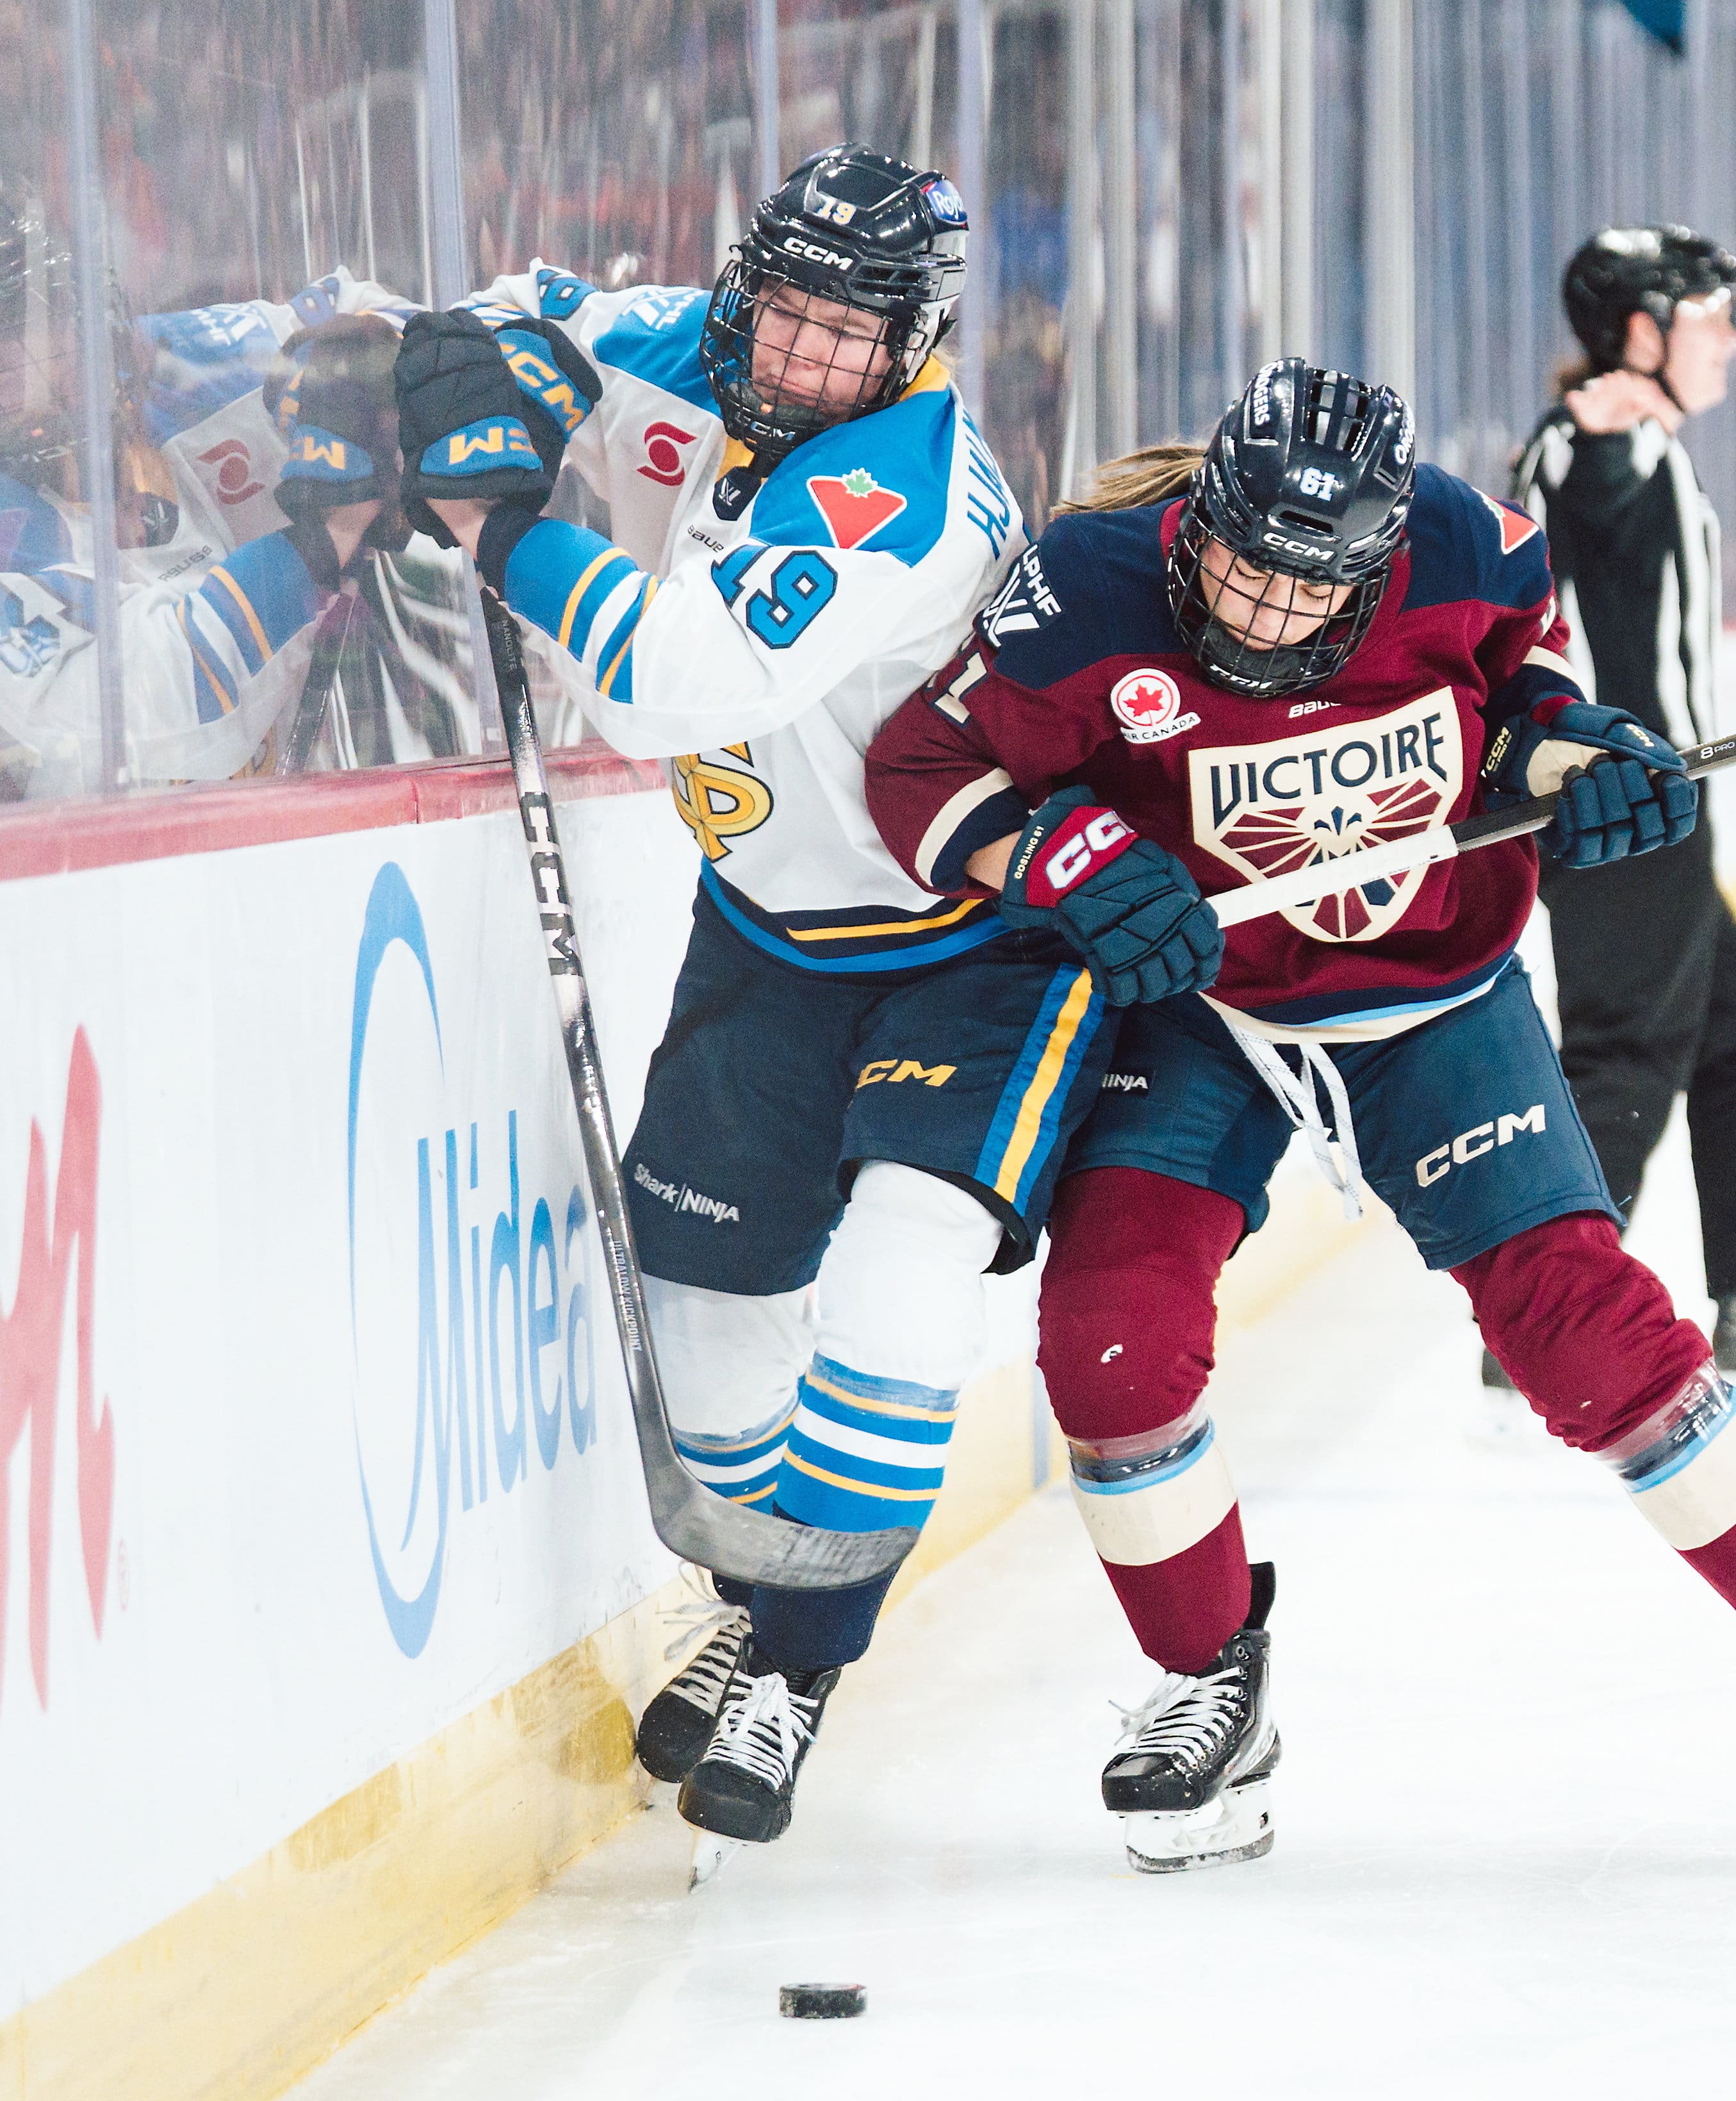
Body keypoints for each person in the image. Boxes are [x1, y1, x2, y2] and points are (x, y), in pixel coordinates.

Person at [865, 359, 1736, 1874]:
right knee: (1107, 1345)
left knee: (1583, 1333)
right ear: (1194, 524)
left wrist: (1583, 759)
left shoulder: (1467, 548)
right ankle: (1207, 1689)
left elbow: (1527, 705)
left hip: (1428, 996)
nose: (1254, 613)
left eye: (1300, 590)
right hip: (1203, 1009)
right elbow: (919, 766)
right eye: (1234, 565)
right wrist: (1053, 856)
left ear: (1375, 564)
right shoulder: (1085, 589)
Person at [397, 146, 1099, 1851]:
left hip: (978, 938)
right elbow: (521, 315)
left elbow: (669, 683)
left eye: (847, 334)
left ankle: (798, 1665)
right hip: (773, 935)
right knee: (708, 1317)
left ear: (913, 342)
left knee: (894, 1284)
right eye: (781, 310)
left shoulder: (906, 493)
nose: (798, 359)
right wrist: (433, 357)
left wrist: (497, 517)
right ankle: (752, 1601)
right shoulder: (696, 341)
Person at [1508, 227, 1736, 1400]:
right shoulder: (1600, 443)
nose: (1731, 344)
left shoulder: (1626, 435)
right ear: (1642, 333)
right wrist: (1607, 448)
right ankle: (1539, 1332)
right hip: (1619, 805)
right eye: (1711, 320)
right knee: (1624, 1055)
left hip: (1658, 804)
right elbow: (1581, 521)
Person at [0, 168, 419, 796]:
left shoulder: (151, 364)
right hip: (107, 861)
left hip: (326, 797)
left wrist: (398, 363)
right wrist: (336, 519)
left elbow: (364, 310)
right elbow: (158, 707)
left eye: (7, 330)